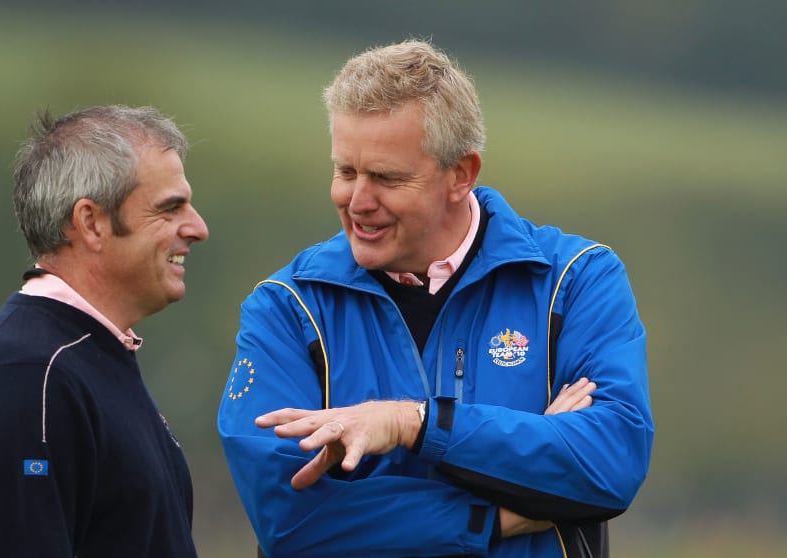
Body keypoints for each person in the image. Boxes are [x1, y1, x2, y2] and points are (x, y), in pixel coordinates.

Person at [217, 40, 653, 557]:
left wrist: (413, 424)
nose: (357, 202)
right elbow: (290, 524)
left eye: (386, 178)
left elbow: (610, 465)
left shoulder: (576, 280)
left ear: (461, 175)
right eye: (346, 172)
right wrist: (501, 510)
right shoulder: (286, 308)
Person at [0, 105, 209, 557]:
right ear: (91, 223)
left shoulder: (82, 356)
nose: (197, 228)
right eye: (170, 208)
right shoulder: (26, 377)